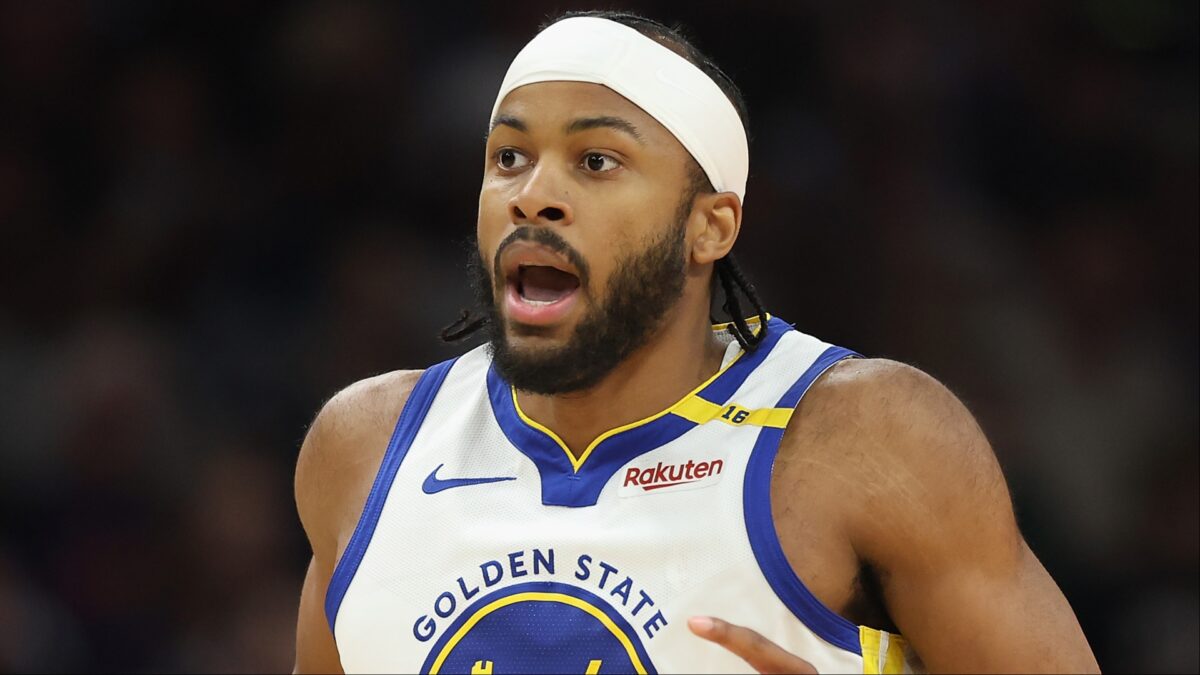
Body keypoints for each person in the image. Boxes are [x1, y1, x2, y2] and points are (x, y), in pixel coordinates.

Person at [293, 11, 1099, 674]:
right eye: (509, 157)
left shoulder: (865, 437)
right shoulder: (365, 447)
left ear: (709, 226)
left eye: (596, 160)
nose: (533, 195)